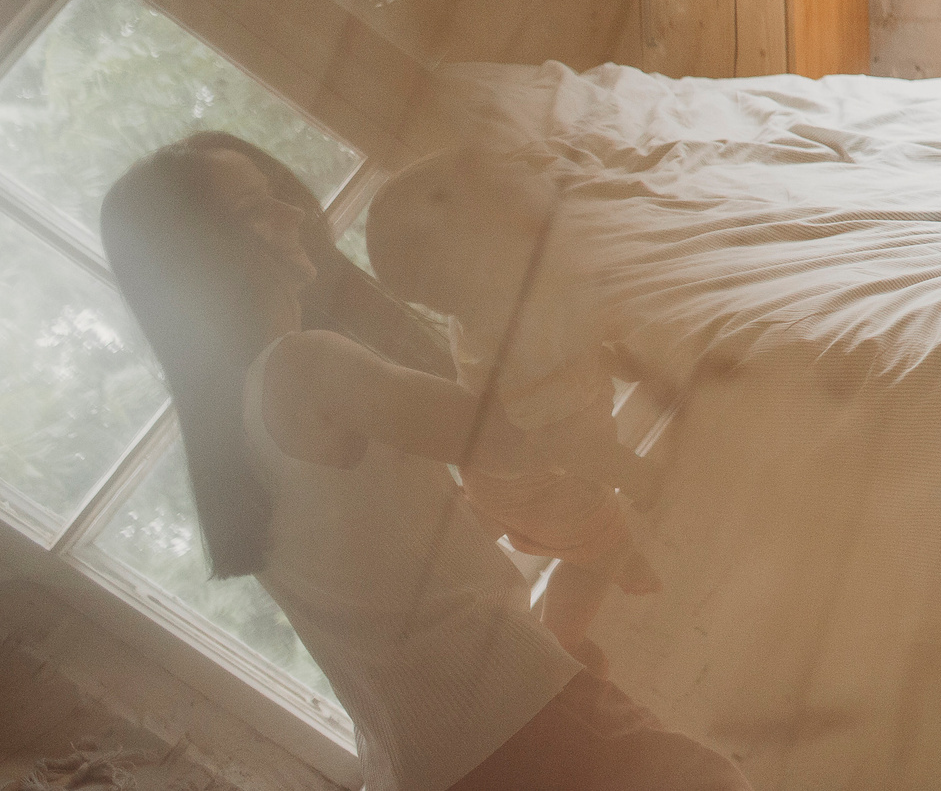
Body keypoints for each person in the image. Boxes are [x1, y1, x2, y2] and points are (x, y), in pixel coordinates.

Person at [99, 136, 750, 791]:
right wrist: (516, 286)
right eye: (255, 207)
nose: (292, 214)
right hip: (507, 712)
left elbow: (393, 554)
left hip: (419, 760)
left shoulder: (233, 438)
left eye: (276, 195)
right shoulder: (302, 366)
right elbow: (510, 437)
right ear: (206, 255)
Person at [366, 150, 665, 672]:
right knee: (599, 551)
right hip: (538, 478)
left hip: (495, 472)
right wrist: (628, 471)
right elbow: (562, 438)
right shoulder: (521, 338)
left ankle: (473, 537)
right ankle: (561, 646)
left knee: (505, 518)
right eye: (514, 222)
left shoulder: (501, 315)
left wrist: (620, 358)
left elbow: (579, 346)